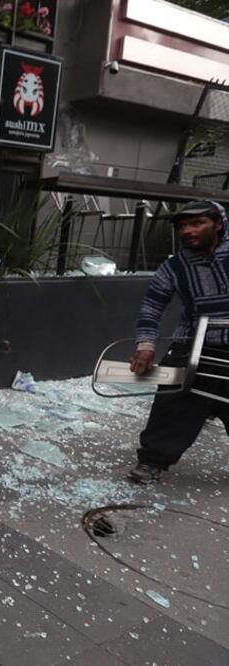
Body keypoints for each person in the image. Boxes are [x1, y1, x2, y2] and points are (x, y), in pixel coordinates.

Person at [129, 200, 229, 484]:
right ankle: (152, 460)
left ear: (218, 225)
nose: (187, 231)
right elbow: (151, 307)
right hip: (195, 343)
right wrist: (145, 345)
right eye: (183, 225)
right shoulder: (175, 267)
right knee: (173, 401)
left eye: (197, 223)